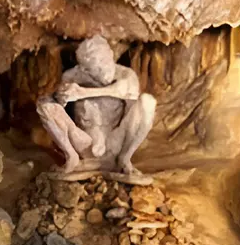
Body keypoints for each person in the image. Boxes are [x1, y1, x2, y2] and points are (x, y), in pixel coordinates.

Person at [37, 36, 156, 180]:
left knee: (147, 102)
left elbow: (123, 91)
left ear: (111, 55)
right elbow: (60, 104)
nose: (103, 67)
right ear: (85, 69)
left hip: (114, 141)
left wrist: (83, 92)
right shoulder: (73, 75)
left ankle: (125, 158)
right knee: (45, 106)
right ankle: (72, 157)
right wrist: (64, 96)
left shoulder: (125, 74)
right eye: (96, 66)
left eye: (105, 61)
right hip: (84, 141)